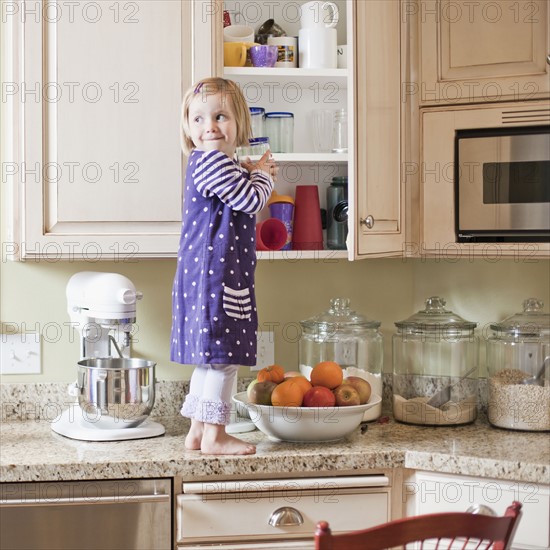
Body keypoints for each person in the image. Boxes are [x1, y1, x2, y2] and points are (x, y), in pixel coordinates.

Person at [171, 77, 276, 455]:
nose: (209, 126)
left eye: (220, 116)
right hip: (216, 279)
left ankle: (198, 433)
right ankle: (216, 435)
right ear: (187, 127)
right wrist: (263, 175)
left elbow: (235, 191)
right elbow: (250, 201)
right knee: (224, 360)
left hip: (205, 279)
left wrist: (248, 171)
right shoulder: (213, 162)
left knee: (209, 360)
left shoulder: (209, 163)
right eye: (197, 119)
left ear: (240, 126)